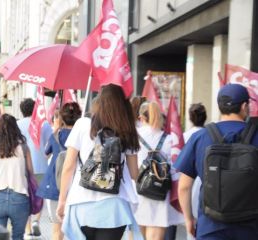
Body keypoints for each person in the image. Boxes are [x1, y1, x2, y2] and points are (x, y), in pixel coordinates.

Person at [57, 84, 140, 240]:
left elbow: (68, 167)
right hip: (114, 207)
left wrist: (62, 200)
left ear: (99, 103)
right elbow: (135, 173)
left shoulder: (82, 125)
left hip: (81, 203)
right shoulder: (127, 129)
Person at [175, 84, 258, 239]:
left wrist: (189, 219)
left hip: (210, 227)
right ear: (244, 106)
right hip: (251, 228)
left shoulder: (200, 137)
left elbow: (184, 187)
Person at [135, 101, 184, 240]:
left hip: (137, 188)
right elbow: (175, 168)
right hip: (160, 190)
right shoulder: (169, 139)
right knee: (156, 229)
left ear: (141, 118)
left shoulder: (133, 136)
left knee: (137, 227)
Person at [37, 102, 81, 240]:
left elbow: (46, 153)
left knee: (57, 230)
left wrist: (55, 130)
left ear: (61, 118)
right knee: (77, 229)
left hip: (55, 185)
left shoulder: (56, 135)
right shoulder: (82, 136)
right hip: (77, 186)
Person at [0, 113, 32, 240]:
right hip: (19, 196)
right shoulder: (23, 148)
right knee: (18, 236)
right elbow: (30, 173)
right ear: (15, 128)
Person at [17, 98, 52, 237]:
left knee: (25, 197)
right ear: (35, 109)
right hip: (41, 165)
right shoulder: (44, 125)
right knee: (39, 196)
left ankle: (27, 229)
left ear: (22, 110)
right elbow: (51, 144)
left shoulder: (17, 125)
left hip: (22, 166)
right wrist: (46, 156)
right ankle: (37, 220)